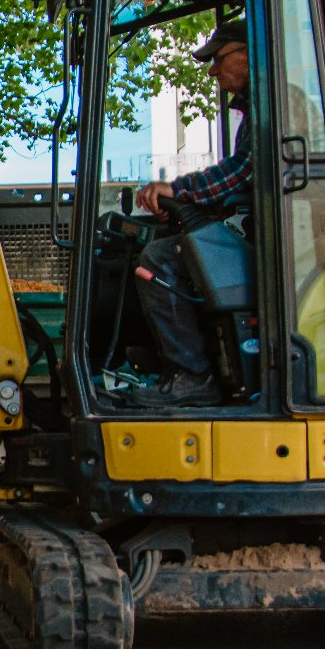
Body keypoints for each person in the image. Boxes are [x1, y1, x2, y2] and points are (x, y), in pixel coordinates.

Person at [130, 20, 251, 408]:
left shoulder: (278, 105)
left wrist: (179, 190)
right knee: (168, 247)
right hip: (249, 227)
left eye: (218, 59)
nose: (214, 71)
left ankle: (192, 376)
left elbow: (242, 171)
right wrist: (185, 207)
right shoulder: (257, 111)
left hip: (265, 240)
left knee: (159, 261)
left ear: (249, 53)